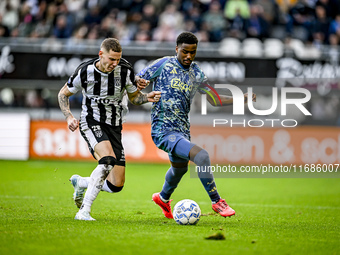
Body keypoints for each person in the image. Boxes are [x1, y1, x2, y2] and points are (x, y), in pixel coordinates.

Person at [137, 32, 256, 218]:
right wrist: (141, 90)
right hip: (163, 130)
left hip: (182, 130)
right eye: (185, 51)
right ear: (176, 49)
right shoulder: (163, 65)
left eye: (193, 52)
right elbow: (136, 80)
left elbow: (214, 99)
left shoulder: (196, 72)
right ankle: (217, 201)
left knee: (180, 169)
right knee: (202, 156)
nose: (189, 56)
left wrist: (240, 99)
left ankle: (162, 198)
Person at [58, 38, 161, 221]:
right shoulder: (85, 71)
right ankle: (84, 211)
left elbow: (135, 98)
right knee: (107, 160)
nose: (115, 63)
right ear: (101, 54)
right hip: (91, 121)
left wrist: (147, 98)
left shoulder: (126, 70)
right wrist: (69, 117)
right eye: (112, 59)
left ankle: (82, 182)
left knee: (116, 184)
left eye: (118, 59)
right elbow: (63, 94)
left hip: (115, 126)